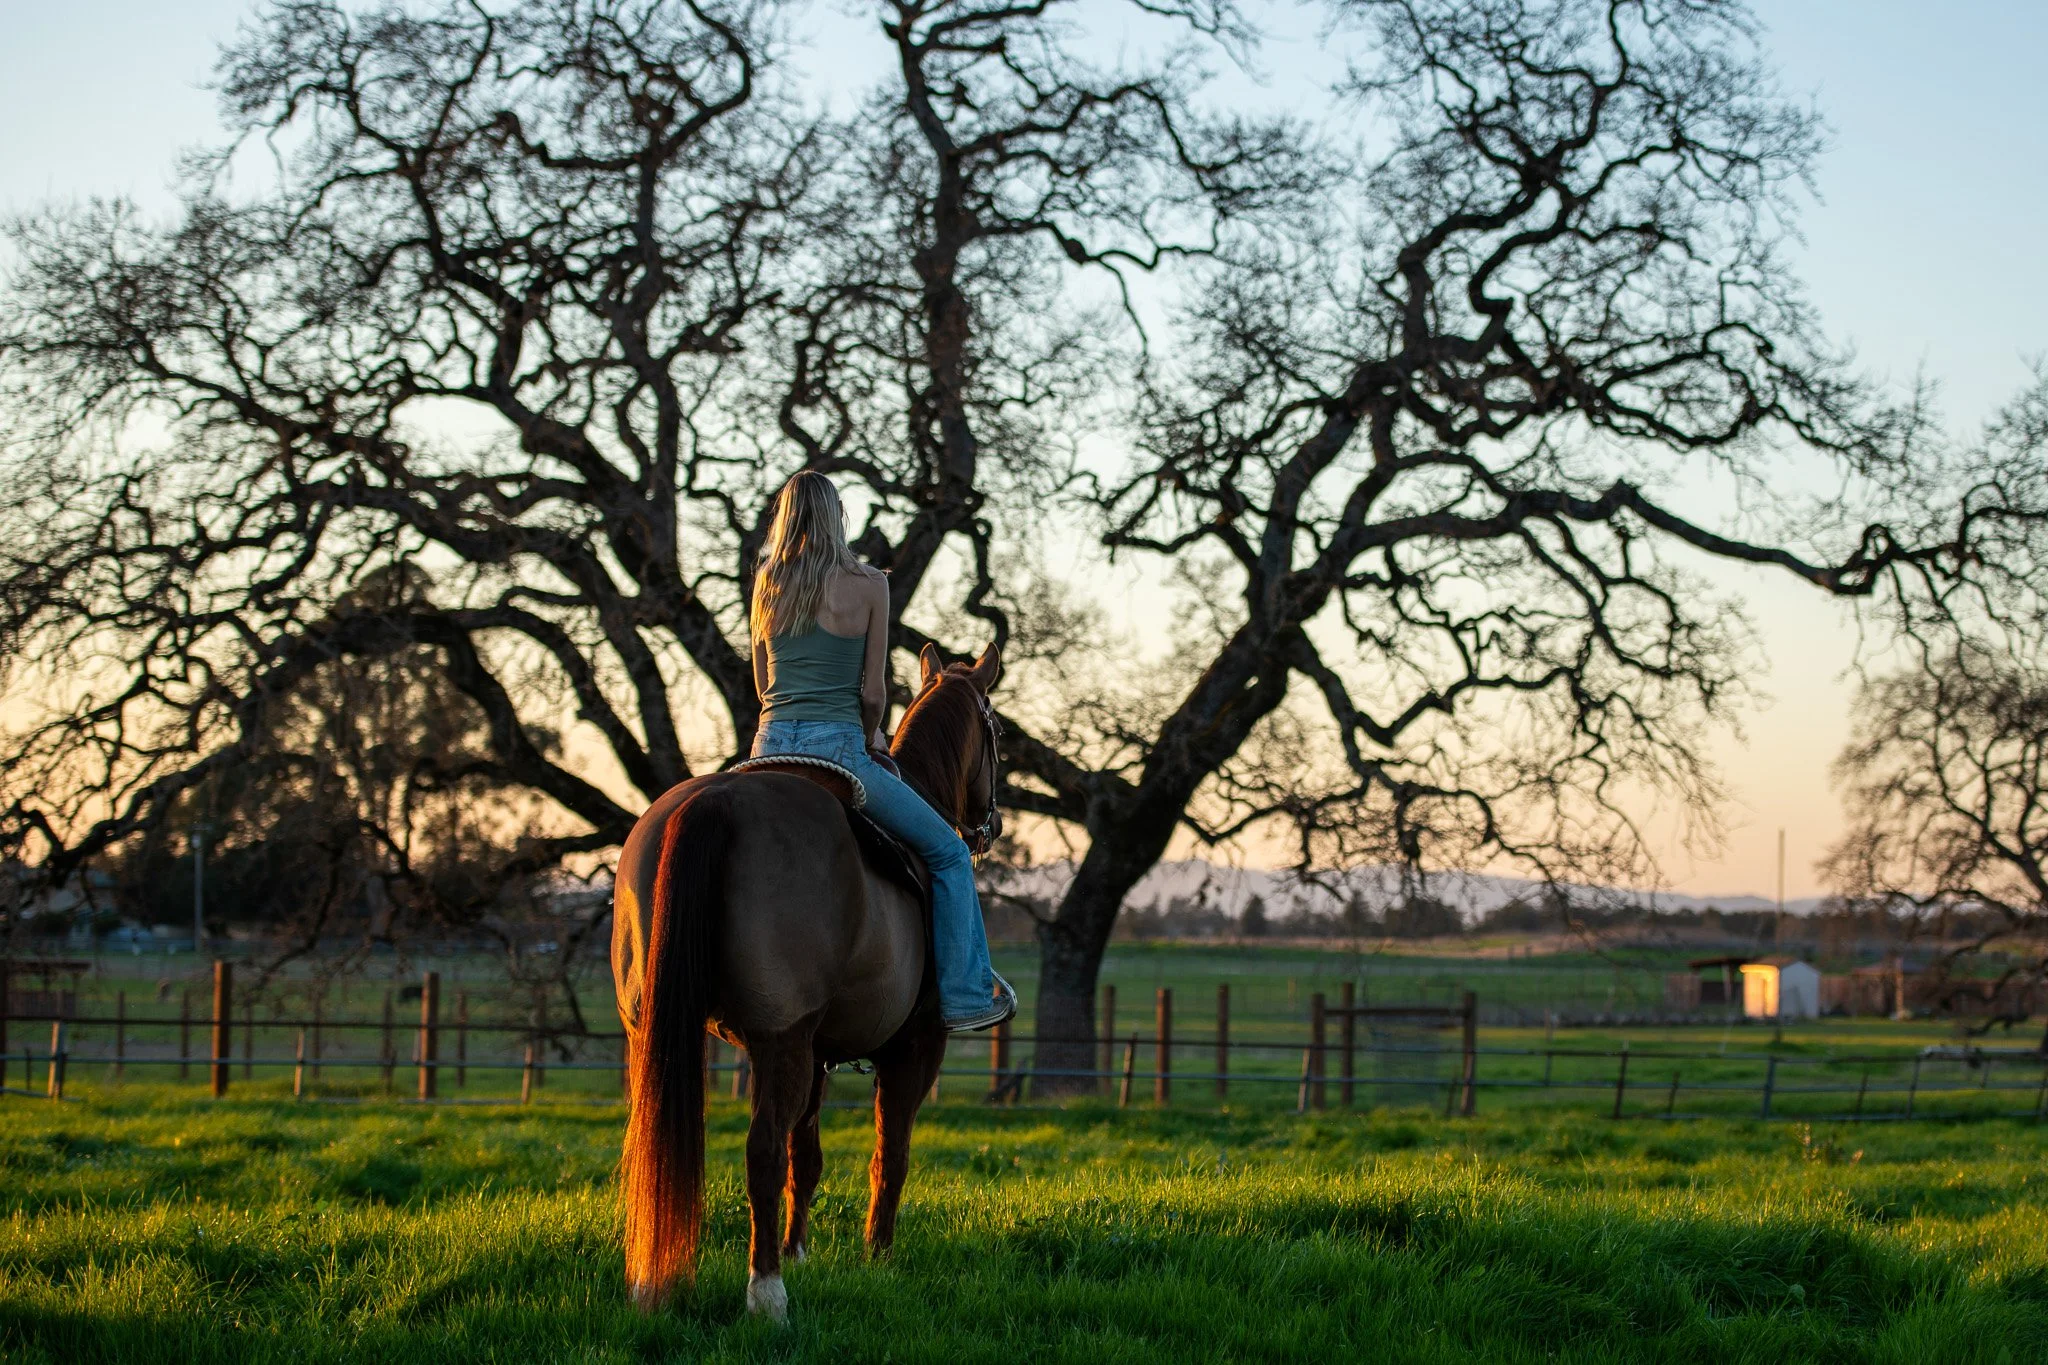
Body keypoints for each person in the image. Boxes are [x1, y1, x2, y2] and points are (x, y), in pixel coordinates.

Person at [748, 470, 1016, 1032]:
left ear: (783, 516)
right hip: (839, 752)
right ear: (838, 516)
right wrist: (871, 733)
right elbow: (872, 692)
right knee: (946, 852)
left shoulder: (768, 580)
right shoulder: (869, 582)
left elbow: (761, 684)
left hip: (766, 750)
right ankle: (968, 996)